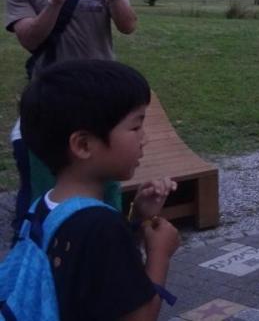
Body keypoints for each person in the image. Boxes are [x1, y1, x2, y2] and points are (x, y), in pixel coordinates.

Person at [5, 0, 138, 228]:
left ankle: (109, 239)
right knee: (50, 187)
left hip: (102, 96)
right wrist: (54, 2)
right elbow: (30, 40)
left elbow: (128, 25)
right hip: (53, 98)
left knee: (106, 180)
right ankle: (48, 250)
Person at [18, 59, 180, 321]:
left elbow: (95, 271)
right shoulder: (102, 227)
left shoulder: (42, 207)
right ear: (83, 145)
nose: (145, 138)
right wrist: (159, 253)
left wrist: (137, 219)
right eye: (136, 126)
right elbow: (139, 317)